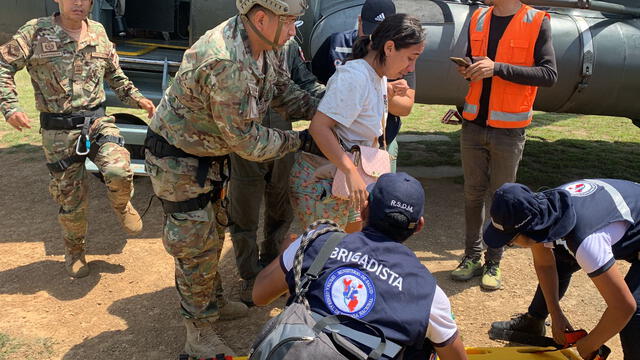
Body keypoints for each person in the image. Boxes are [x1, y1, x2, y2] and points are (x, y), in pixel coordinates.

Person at [143, 0, 322, 357]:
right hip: (178, 161)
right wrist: (302, 139)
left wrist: (328, 106)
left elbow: (282, 92)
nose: (292, 32)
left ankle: (215, 303)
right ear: (260, 18)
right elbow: (249, 142)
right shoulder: (226, 62)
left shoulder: (266, 45)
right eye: (289, 23)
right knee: (195, 248)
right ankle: (198, 333)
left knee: (215, 233)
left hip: (209, 155)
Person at [0, 0, 155, 278]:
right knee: (71, 198)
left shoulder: (97, 31)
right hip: (58, 129)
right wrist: (10, 106)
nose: (79, 3)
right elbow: (3, 65)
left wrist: (136, 98)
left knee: (119, 168)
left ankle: (121, 204)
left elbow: (114, 74)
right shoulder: (35, 31)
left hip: (96, 121)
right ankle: (75, 252)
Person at [254, 172, 467, 360]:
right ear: (419, 226)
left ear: (364, 209)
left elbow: (260, 295)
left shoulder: (317, 242)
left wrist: (290, 252)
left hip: (299, 352)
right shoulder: (427, 294)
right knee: (428, 345)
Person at [450, 0, 558, 290]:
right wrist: (469, 69)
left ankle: (493, 261)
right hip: (473, 123)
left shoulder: (536, 21)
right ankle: (471, 257)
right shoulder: (479, 18)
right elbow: (474, 59)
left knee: (501, 200)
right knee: (472, 195)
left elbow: (549, 74)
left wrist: (497, 68)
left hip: (508, 131)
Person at [290, 14, 425, 232]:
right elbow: (319, 127)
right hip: (323, 184)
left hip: (345, 183)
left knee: (346, 249)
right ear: (389, 48)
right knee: (323, 256)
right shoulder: (355, 77)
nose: (411, 68)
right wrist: (351, 171)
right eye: (411, 58)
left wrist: (387, 90)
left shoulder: (377, 75)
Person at [484, 179, 640, 360]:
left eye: (510, 240)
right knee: (562, 260)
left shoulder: (586, 242)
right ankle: (534, 321)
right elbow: (545, 265)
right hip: (629, 214)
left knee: (635, 315)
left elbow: (623, 307)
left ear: (530, 230)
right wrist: (556, 314)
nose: (509, 244)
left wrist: (590, 344)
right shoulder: (541, 209)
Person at [229, 38, 325, 306]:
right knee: (243, 210)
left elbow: (305, 82)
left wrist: (335, 96)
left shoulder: (288, 45)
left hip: (282, 136)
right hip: (246, 138)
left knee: (281, 207)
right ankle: (249, 275)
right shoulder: (234, 42)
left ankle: (272, 266)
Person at [311, 0, 416, 172]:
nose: (375, 40)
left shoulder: (402, 55)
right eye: (371, 30)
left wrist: (382, 93)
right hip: (337, 149)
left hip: (380, 145)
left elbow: (405, 108)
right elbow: (312, 86)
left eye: (383, 33)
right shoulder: (335, 44)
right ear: (359, 21)